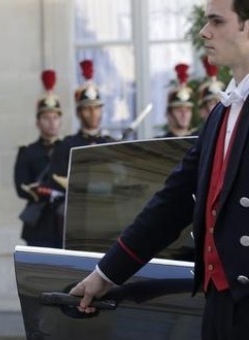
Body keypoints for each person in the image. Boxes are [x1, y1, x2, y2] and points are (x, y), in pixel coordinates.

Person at [69, 0, 249, 338]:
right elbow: (175, 199)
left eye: (216, 21)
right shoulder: (222, 114)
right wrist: (106, 273)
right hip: (221, 305)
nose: (204, 31)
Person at [33, 60, 114, 242]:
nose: (93, 114)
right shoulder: (66, 146)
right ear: (78, 112)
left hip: (108, 218)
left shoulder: (110, 144)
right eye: (87, 109)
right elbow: (56, 181)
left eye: (96, 108)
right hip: (78, 219)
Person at [14, 69, 63, 247]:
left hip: (63, 224)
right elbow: (21, 187)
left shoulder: (68, 147)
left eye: (55, 117)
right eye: (46, 118)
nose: (51, 122)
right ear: (37, 122)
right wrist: (48, 193)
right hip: (39, 226)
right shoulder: (27, 152)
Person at [157, 63, 195, 138]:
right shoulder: (159, 143)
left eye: (187, 110)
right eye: (179, 110)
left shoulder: (200, 141)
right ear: (168, 114)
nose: (184, 115)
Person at [193, 55, 226, 134]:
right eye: (212, 103)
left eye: (219, 101)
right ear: (202, 111)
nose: (218, 106)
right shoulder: (195, 138)